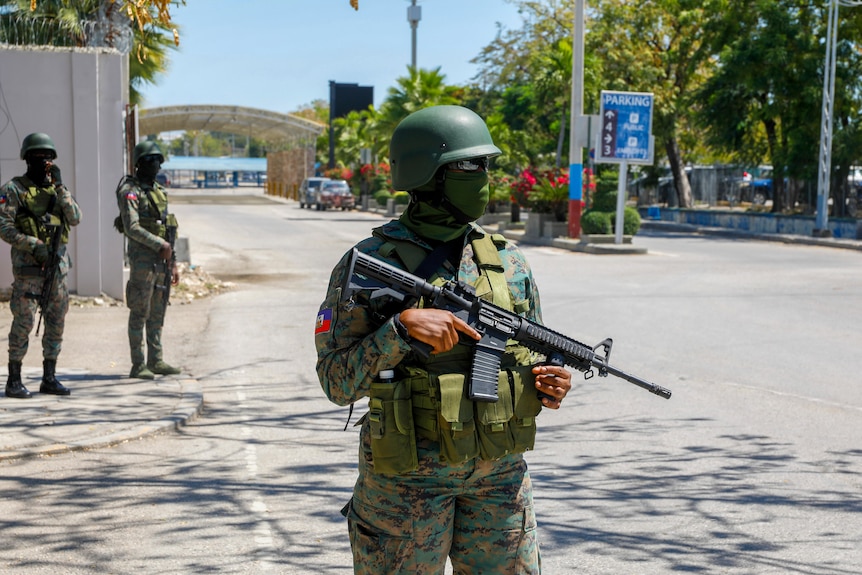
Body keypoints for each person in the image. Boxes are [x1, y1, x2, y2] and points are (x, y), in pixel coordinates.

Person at [315, 105, 572, 574]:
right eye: (471, 167)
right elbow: (336, 382)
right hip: (404, 487)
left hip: (499, 479)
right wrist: (400, 330)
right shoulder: (368, 263)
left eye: (486, 166)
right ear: (428, 174)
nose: (485, 178)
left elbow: (529, 359)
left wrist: (549, 383)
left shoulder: (508, 263)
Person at [0, 132, 82, 399]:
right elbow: (4, 226)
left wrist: (60, 187)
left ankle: (49, 377)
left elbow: (76, 217)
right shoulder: (13, 189)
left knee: (56, 322)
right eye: (38, 156)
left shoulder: (58, 191)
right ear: (27, 159)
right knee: (23, 322)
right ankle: (14, 380)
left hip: (57, 270)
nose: (43, 161)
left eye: (47, 157)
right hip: (28, 271)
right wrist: (33, 244)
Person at [115, 140, 180, 380]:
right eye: (151, 160)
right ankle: (138, 363)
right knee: (139, 312)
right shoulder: (130, 191)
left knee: (157, 312)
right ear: (140, 164)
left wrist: (173, 261)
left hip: (162, 261)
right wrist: (159, 245)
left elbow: (169, 229)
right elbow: (132, 227)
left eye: (158, 161)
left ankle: (156, 360)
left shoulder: (159, 192)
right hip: (143, 260)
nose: (156, 165)